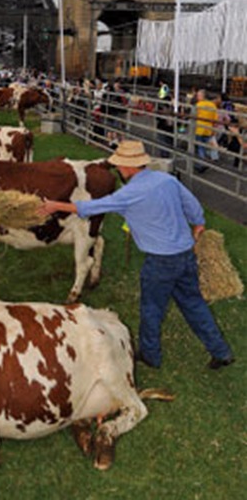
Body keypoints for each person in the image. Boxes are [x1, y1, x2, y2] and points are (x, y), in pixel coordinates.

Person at [38, 139, 234, 371]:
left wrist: (56, 206)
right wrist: (198, 224)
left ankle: (151, 355)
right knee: (194, 303)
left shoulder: (129, 193)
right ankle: (221, 352)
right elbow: (191, 204)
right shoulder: (167, 180)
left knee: (152, 308)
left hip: (160, 262)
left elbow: (91, 207)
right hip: (185, 255)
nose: (119, 169)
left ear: (130, 167)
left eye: (120, 165)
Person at [194, 89, 219, 170]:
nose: (197, 97)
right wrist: (213, 129)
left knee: (200, 146)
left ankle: (201, 163)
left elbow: (194, 115)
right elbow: (215, 119)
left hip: (199, 128)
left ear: (202, 96)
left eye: (198, 95)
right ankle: (204, 161)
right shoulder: (213, 105)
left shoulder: (199, 105)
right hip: (208, 129)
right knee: (204, 146)